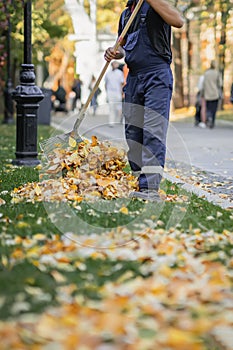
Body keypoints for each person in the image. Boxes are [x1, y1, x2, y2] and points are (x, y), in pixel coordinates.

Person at [104, 0, 184, 201]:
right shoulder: (125, 14)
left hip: (156, 75)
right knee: (133, 132)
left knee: (152, 131)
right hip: (133, 77)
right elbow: (124, 45)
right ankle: (139, 181)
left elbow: (178, 21)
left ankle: (149, 188)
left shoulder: (156, 4)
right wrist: (115, 52)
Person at [202, 60, 222, 129]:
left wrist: (202, 93)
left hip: (207, 94)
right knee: (214, 109)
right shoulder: (217, 73)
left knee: (208, 108)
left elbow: (203, 84)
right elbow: (220, 84)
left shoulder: (206, 73)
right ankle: (212, 121)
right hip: (215, 94)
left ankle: (209, 117)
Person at [104, 60, 124, 126]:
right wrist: (107, 92)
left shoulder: (120, 73)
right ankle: (111, 122)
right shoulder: (108, 73)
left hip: (117, 93)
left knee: (119, 108)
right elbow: (106, 84)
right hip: (110, 93)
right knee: (112, 108)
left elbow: (121, 84)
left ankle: (121, 119)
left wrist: (122, 93)